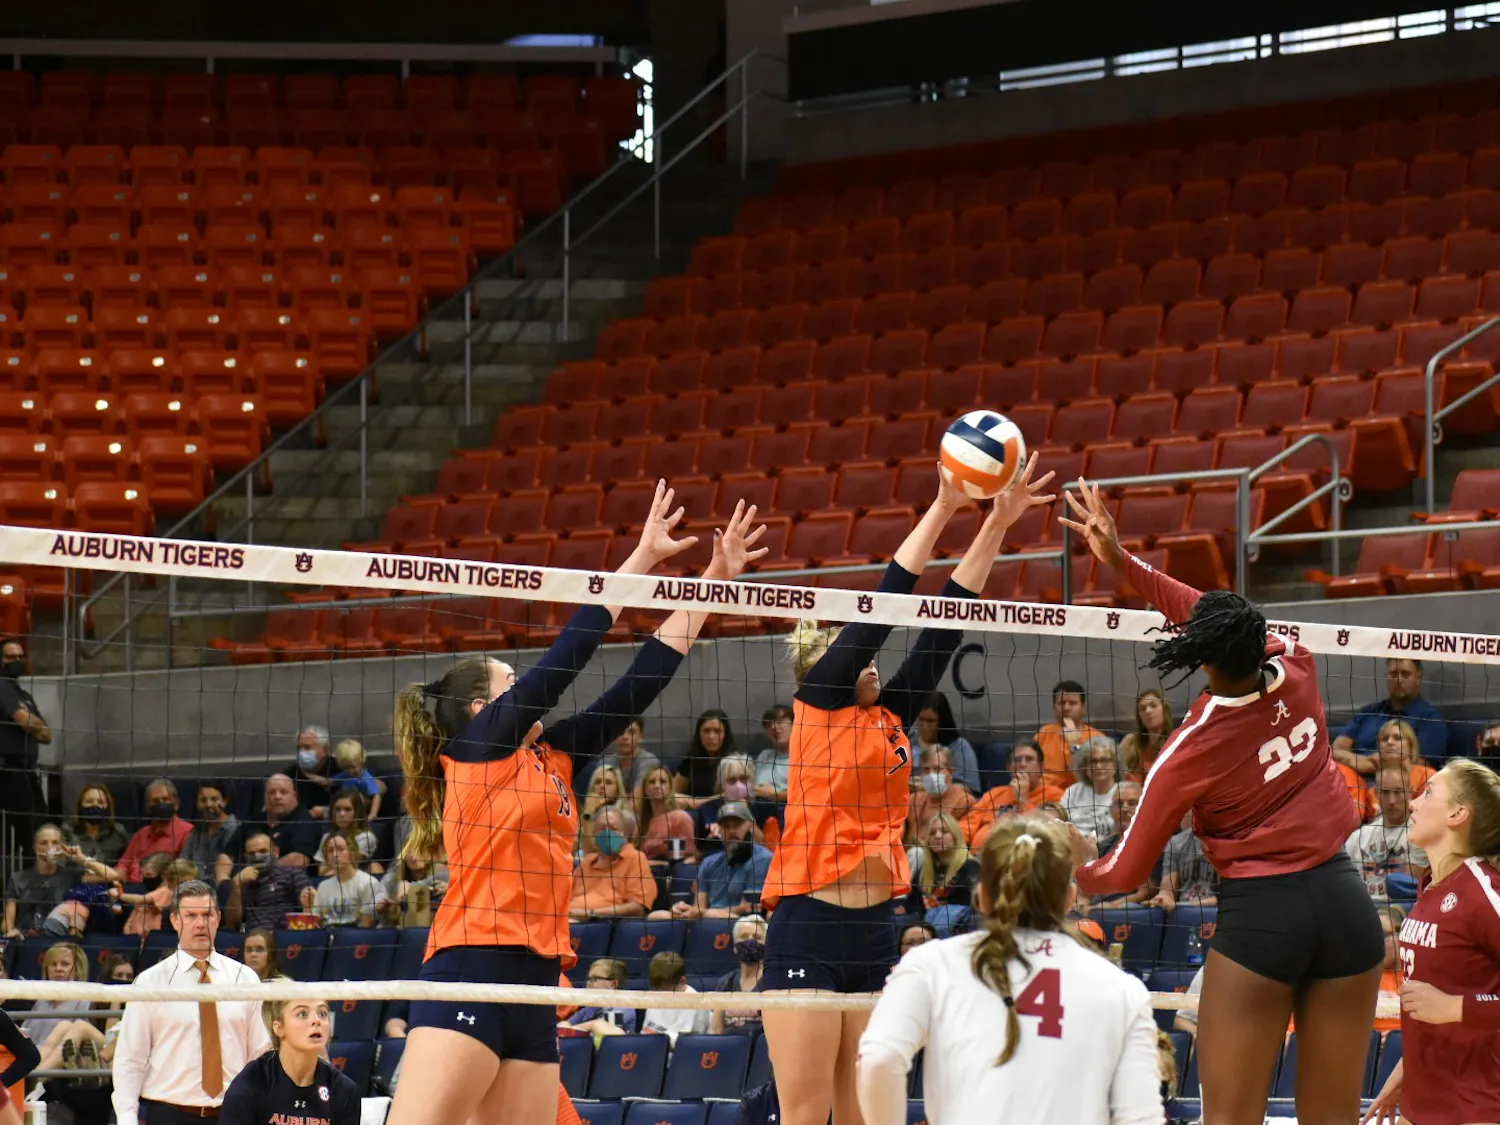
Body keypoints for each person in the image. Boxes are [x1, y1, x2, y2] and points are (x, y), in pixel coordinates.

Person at [386, 486, 765, 1125]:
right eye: (510, 681)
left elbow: (640, 682)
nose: (525, 686)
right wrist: (641, 557)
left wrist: (713, 581)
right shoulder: (477, 749)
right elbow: (565, 659)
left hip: (535, 977)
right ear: (486, 709)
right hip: (471, 964)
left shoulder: (552, 756)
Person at [1062, 479, 1385, 1125]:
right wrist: (1125, 564)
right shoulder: (1295, 660)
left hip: (1264, 921)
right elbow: (1214, 617)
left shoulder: (1190, 747)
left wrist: (1067, 866)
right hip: (1349, 909)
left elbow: (1124, 872)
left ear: (1202, 658)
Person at [761, 453, 1054, 1125]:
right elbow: (885, 607)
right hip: (806, 925)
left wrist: (998, 523)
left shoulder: (888, 716)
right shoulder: (819, 703)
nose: (870, 659)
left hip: (873, 930)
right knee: (805, 1115)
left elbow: (946, 621)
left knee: (866, 1111)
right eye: (853, 653)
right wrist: (947, 503)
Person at [855, 814, 1162, 1125]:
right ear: (1069, 899)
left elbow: (879, 1060)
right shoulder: (1120, 988)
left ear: (982, 895)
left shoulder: (930, 964)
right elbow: (1142, 1117)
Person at [1365, 759, 1500, 1125]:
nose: (1412, 803)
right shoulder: (1431, 885)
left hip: (1475, 1107)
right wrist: (1406, 1072)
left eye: (1428, 793)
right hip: (1420, 1103)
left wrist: (1457, 1007)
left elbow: (1449, 1003)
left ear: (1458, 814)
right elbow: (1437, 997)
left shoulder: (1485, 892)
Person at [111, 879, 272, 1125]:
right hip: (169, 1113)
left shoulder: (245, 977)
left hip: (233, 1113)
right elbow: (130, 1056)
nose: (200, 924)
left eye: (207, 915)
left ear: (217, 918)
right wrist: (126, 1117)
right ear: (175, 920)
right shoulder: (151, 981)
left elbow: (260, 1053)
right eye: (191, 915)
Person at [219, 996, 360, 1125]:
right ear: (278, 1027)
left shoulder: (344, 1090)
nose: (316, 1020)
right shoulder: (251, 1084)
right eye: (302, 1014)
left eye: (322, 1013)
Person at [656, 802, 770, 921]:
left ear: (750, 826)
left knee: (713, 915)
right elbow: (699, 906)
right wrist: (683, 910)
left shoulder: (762, 859)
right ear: (718, 829)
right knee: (658, 916)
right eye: (726, 826)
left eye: (737, 825)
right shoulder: (709, 862)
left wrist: (702, 913)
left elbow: (747, 908)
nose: (731, 831)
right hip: (707, 920)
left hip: (743, 922)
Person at [1333, 658, 1447, 774]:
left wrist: (1364, 765)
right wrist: (1364, 761)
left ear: (1418, 677)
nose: (1398, 679)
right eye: (1393, 674)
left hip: (1396, 788)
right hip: (1352, 779)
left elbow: (1420, 768)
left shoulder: (1430, 718)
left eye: (1405, 674)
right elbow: (1336, 750)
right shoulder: (1369, 712)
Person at [961, 740, 1067, 847]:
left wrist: (1023, 799)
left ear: (1041, 768)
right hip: (979, 855)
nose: (1022, 765)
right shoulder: (994, 793)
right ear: (1009, 767)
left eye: (1029, 759)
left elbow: (1046, 834)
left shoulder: (1056, 795)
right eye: (1017, 760)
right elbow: (967, 826)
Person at [1345, 765, 1430, 898]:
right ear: (1376, 792)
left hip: (1401, 909)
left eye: (1398, 792)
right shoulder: (1358, 837)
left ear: (1410, 792)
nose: (1391, 801)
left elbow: (1409, 891)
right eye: (1385, 792)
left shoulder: (1421, 834)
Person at [0, 637, 50, 857]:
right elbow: (26, 722)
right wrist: (31, 723)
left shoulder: (23, 695)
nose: (17, 661)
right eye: (10, 657)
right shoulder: (2, 686)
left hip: (26, 771)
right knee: (33, 833)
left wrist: (31, 722)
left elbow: (47, 735)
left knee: (42, 829)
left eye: (20, 657)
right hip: (8, 770)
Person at [569, 807, 656, 921]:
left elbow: (637, 908)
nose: (607, 833)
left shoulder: (636, 858)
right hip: (567, 920)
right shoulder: (587, 862)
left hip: (603, 924)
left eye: (613, 828)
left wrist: (591, 914)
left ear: (624, 834)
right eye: (602, 828)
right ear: (594, 833)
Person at [222, 834, 315, 932]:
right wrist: (236, 885)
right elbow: (232, 925)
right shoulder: (242, 881)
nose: (257, 857)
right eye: (251, 853)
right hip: (252, 940)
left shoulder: (293, 874)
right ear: (246, 857)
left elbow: (311, 907)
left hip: (284, 938)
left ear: (276, 852)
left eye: (263, 851)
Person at [4, 824, 77, 937]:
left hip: (58, 940)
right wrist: (11, 931)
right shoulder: (18, 878)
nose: (50, 847)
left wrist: (80, 858)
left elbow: (110, 875)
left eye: (55, 842)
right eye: (44, 843)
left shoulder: (71, 876)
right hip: (24, 937)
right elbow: (11, 905)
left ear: (62, 846)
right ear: (35, 847)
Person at [1034, 680, 1108, 790]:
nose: (1066, 708)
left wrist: (1074, 743)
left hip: (1080, 795)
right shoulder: (1044, 733)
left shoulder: (1097, 738)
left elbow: (1095, 779)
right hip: (1046, 796)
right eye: (1061, 703)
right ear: (1054, 708)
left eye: (1072, 703)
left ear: (1083, 708)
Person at [905, 813, 978, 922]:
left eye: (944, 831)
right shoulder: (924, 872)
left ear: (955, 836)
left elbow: (970, 911)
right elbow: (912, 907)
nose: (937, 836)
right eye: (932, 833)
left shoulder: (970, 868)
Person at [116, 780, 193, 882]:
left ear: (176, 803)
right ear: (148, 807)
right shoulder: (141, 834)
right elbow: (122, 867)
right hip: (129, 889)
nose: (161, 804)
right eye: (155, 801)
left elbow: (183, 874)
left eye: (165, 799)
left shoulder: (188, 832)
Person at [907, 694, 980, 797]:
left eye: (930, 721)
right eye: (921, 719)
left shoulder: (959, 747)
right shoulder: (908, 740)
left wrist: (929, 787)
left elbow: (970, 789)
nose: (925, 726)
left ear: (942, 722)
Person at [1149, 811, 1219, 912]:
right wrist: (1162, 899)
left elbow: (1228, 898)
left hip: (1217, 912)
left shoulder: (1231, 841)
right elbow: (1167, 891)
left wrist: (1179, 906)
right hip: (1182, 914)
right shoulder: (1176, 843)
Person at [905, 745, 974, 846]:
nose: (930, 774)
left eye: (937, 769)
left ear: (950, 772)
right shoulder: (913, 800)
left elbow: (957, 843)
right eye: (926, 769)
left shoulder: (964, 801)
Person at [692, 754, 759, 857]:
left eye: (743, 779)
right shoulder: (708, 808)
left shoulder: (764, 805)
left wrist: (745, 812)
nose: (738, 785)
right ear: (722, 784)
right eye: (732, 780)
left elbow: (766, 844)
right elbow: (699, 849)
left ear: (752, 781)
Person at [711, 914, 767, 1037]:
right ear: (735, 946)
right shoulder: (726, 982)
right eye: (744, 937)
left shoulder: (773, 982)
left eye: (757, 937)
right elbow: (715, 1030)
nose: (750, 941)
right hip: (730, 1048)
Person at [247, 776, 322, 868]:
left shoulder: (305, 821)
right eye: (272, 792)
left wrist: (262, 873)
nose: (277, 797)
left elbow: (299, 859)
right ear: (265, 796)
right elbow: (228, 854)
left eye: (283, 792)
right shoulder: (253, 821)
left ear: (294, 796)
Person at [312, 833, 384, 927]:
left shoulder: (368, 883)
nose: (335, 854)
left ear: (352, 852)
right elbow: (315, 923)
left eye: (340, 849)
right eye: (330, 851)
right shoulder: (323, 886)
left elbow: (368, 925)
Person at [25, 942, 89, 1047]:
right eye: (53, 964)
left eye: (65, 964)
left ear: (77, 969)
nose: (58, 969)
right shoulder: (41, 1001)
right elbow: (25, 1033)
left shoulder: (84, 1001)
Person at [641, 952, 711, 1047]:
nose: (661, 995)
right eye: (657, 990)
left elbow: (685, 1043)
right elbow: (647, 1031)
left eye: (666, 991)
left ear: (682, 981)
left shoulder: (694, 1002)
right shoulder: (656, 995)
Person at [674, 709, 740, 809]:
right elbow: (673, 791)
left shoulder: (734, 760)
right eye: (706, 731)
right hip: (691, 814)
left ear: (725, 734)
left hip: (722, 813)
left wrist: (696, 803)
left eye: (717, 731)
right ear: (699, 734)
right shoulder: (693, 755)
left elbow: (734, 794)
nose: (711, 736)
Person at [119, 857, 201, 937]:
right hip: (149, 934)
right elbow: (141, 901)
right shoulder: (164, 892)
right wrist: (121, 895)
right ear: (170, 883)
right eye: (181, 883)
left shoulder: (196, 903)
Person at [179, 782, 241, 886]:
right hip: (190, 887)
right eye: (203, 800)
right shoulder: (198, 829)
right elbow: (183, 861)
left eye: (214, 799)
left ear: (224, 801)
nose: (208, 805)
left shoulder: (235, 830)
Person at [1061, 736, 1121, 840]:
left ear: (1115, 765)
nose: (1098, 766)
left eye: (1104, 760)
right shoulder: (1073, 791)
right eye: (1093, 761)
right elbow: (1060, 824)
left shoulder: (1124, 792)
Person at [635, 765, 695, 862]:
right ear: (645, 789)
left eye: (662, 781)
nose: (657, 786)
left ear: (670, 787)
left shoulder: (679, 818)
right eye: (652, 782)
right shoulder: (641, 823)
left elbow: (679, 860)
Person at [590, 718, 663, 798]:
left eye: (631, 732)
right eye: (620, 732)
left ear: (641, 737)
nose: (625, 737)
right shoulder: (604, 763)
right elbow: (595, 797)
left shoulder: (649, 762)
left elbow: (637, 802)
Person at [61, 785, 130, 869]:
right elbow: (61, 866)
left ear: (108, 807)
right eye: (89, 801)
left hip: (109, 880)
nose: (95, 805)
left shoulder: (118, 832)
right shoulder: (67, 830)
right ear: (80, 806)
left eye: (100, 802)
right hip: (75, 880)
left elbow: (126, 866)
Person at [562, 959, 637, 1036]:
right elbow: (566, 1025)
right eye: (588, 979)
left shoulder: (623, 1006)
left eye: (594, 979)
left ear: (613, 984)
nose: (588, 983)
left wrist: (593, 1025)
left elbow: (605, 1032)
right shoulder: (589, 1009)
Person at [312, 792, 379, 875]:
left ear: (357, 813)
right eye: (337, 809)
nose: (342, 814)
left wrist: (330, 863)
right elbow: (321, 872)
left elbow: (346, 866)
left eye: (347, 809)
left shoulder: (366, 837)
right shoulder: (326, 837)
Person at [378, 850, 448, 928]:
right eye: (409, 851)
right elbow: (373, 907)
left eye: (419, 850)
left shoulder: (443, 876)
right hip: (397, 931)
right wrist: (381, 908)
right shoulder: (390, 879)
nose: (413, 856)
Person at [1121, 689, 1175, 784]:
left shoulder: (1177, 741)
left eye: (1153, 706)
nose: (1148, 711)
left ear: (1164, 709)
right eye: (1142, 708)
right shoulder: (1130, 742)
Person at [576, 765, 629, 857]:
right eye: (598, 782)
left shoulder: (625, 817)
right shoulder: (583, 816)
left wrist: (589, 812)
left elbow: (593, 850)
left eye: (608, 783)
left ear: (617, 791)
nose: (602, 786)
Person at [287, 725, 335, 819]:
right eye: (299, 748)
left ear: (325, 750)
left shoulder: (341, 770)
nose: (301, 752)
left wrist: (326, 811)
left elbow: (357, 805)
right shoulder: (290, 775)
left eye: (307, 747)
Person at [329, 739, 383, 821]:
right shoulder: (345, 775)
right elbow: (328, 781)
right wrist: (310, 776)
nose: (350, 771)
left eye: (353, 767)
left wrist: (373, 813)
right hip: (344, 804)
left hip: (359, 807)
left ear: (361, 761)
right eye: (346, 768)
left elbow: (376, 795)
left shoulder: (365, 777)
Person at [753, 705, 794, 804]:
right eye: (768, 725)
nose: (774, 727)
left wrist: (775, 795)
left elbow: (809, 795)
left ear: (794, 724)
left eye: (779, 722)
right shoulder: (764, 755)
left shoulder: (806, 757)